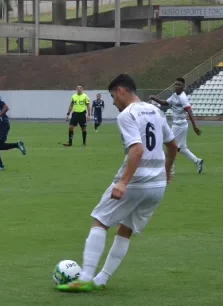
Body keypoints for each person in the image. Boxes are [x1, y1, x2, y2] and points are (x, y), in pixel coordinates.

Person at [56, 74, 178, 292]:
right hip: (157, 186)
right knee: (126, 229)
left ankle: (85, 277)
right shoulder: (157, 111)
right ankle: (101, 279)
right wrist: (167, 172)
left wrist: (123, 182)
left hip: (136, 181)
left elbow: (137, 149)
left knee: (100, 221)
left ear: (121, 91)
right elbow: (172, 146)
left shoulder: (127, 115)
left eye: (113, 96)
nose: (113, 102)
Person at [149, 77, 204, 174]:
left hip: (180, 125)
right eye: (175, 84)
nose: (176, 86)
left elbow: (189, 111)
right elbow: (165, 103)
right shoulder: (174, 95)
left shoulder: (183, 97)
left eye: (179, 85)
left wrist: (194, 126)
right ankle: (197, 161)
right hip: (177, 125)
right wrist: (155, 99)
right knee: (181, 148)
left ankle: (170, 170)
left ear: (183, 87)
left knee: (171, 146)